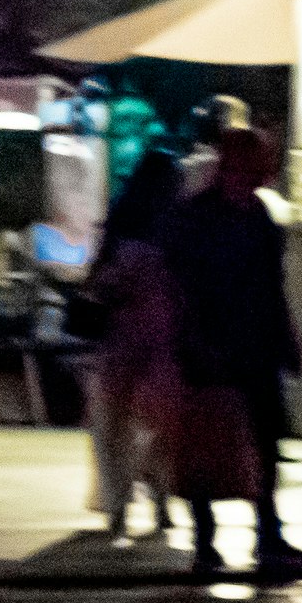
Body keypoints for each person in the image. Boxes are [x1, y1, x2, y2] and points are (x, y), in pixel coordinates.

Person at [156, 127, 302, 574]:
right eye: (257, 167)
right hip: (210, 345)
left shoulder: (256, 215)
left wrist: (286, 335)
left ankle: (265, 531)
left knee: (262, 438)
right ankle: (210, 539)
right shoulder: (197, 218)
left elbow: (270, 286)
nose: (262, 176)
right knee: (209, 440)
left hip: (253, 342)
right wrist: (192, 340)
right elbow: (178, 286)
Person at [82, 153, 184, 539]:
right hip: (162, 341)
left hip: (120, 338)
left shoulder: (122, 220)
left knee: (112, 425)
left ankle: (119, 506)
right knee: (160, 425)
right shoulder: (175, 226)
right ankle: (158, 501)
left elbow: (99, 280)